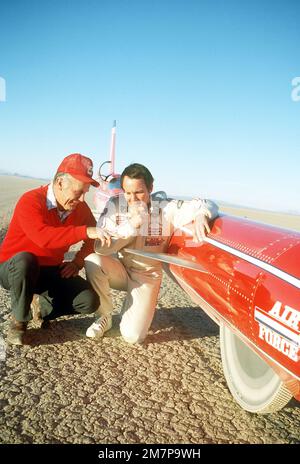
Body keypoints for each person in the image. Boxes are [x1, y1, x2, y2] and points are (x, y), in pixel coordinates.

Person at [84, 163, 219, 344]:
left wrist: (202, 214)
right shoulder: (115, 205)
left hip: (146, 276)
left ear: (150, 188)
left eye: (139, 192)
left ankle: (132, 306)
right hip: (121, 269)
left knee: (132, 336)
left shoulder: (165, 207)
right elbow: (101, 248)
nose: (133, 198)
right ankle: (104, 316)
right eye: (128, 192)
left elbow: (204, 203)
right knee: (93, 262)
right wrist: (132, 225)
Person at [0, 153, 110, 345]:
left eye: (86, 192)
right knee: (26, 260)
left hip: (49, 269)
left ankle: (41, 308)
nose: (83, 198)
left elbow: (94, 238)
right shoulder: (31, 200)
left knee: (89, 300)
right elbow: (43, 238)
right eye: (79, 191)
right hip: (14, 268)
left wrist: (77, 262)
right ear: (60, 183)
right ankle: (18, 322)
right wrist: (85, 231)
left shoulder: (79, 208)